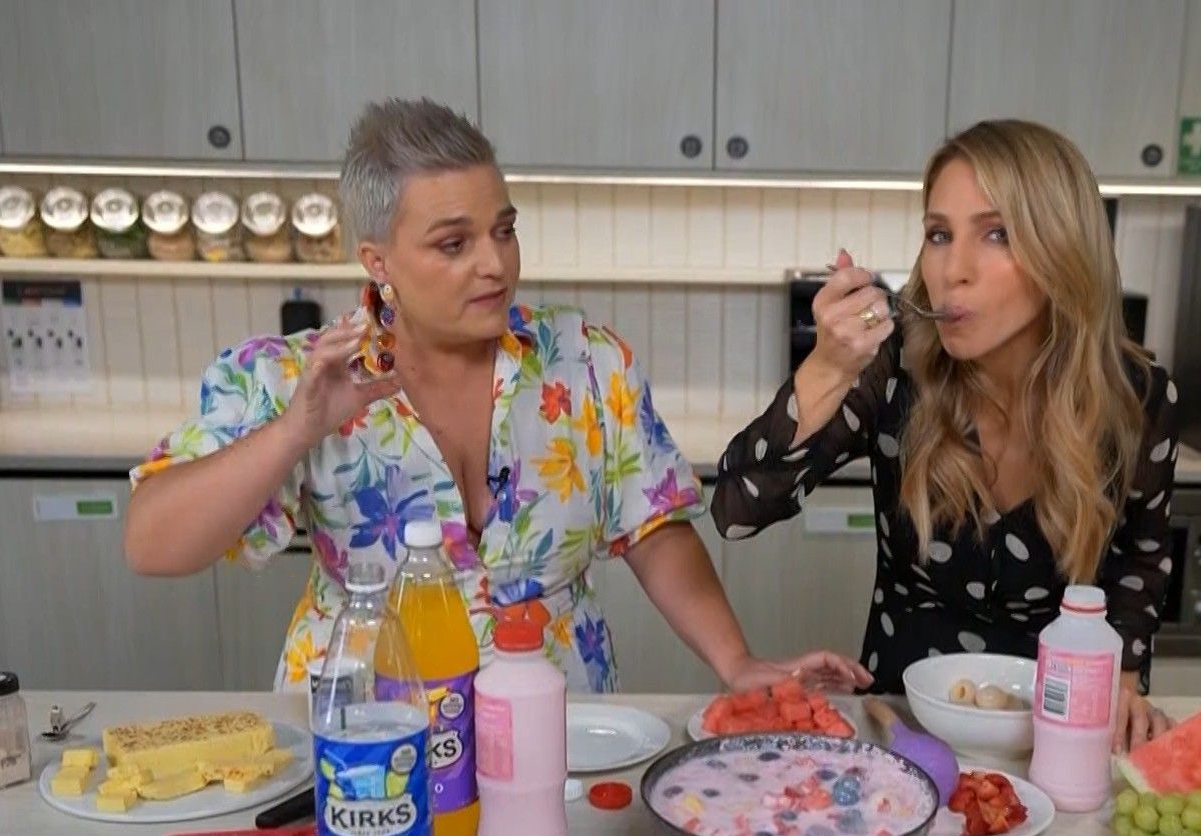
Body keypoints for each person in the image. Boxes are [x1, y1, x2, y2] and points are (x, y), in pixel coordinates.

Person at [126, 98, 866, 696]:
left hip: (559, 721)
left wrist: (736, 661)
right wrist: (295, 430)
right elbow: (152, 543)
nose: (495, 264)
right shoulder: (296, 377)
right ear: (378, 261)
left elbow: (653, 526)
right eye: (454, 244)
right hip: (368, 736)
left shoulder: (584, 360)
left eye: (504, 231)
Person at [713, 119, 1178, 751]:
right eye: (939, 234)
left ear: (1062, 249)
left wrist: (1122, 677)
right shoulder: (895, 371)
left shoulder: (1138, 397)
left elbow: (1141, 560)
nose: (953, 269)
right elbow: (735, 510)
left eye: (997, 233)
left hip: (1058, 738)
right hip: (901, 733)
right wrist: (826, 369)